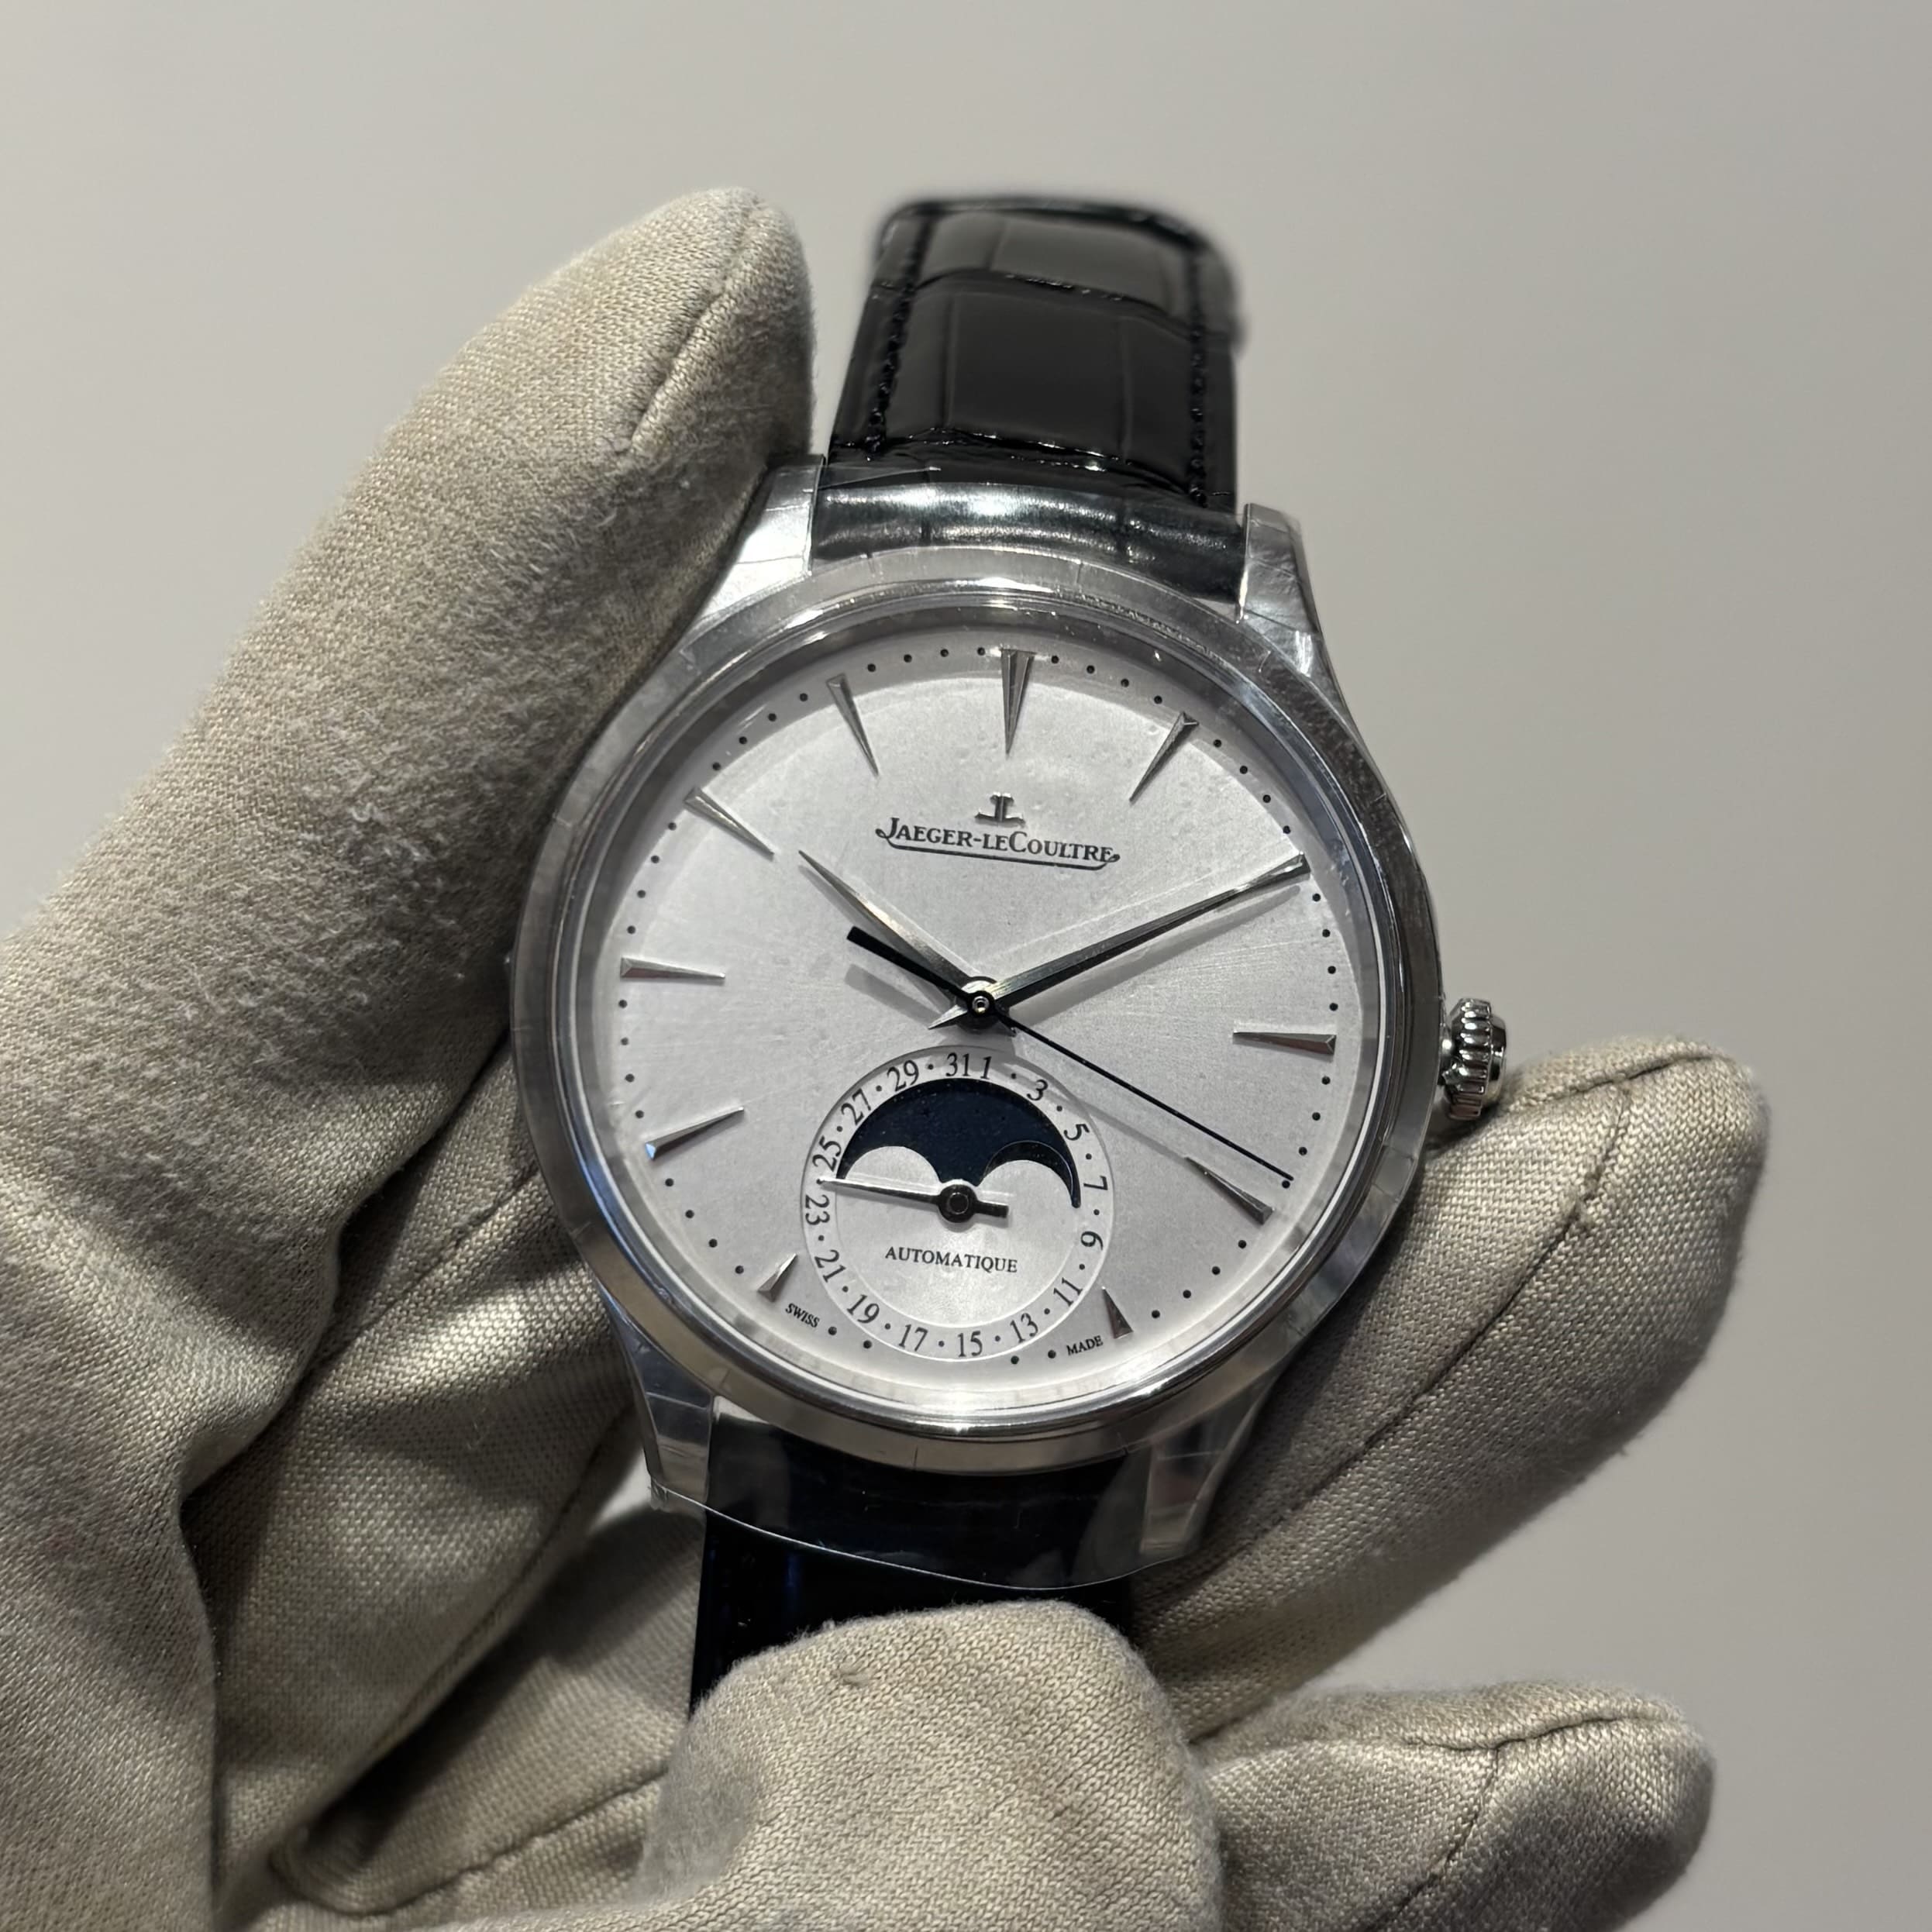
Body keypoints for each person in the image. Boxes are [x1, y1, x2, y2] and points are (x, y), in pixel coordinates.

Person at [0, 190, 1765, 1932]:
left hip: (1044, 1379)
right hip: (775, 1346)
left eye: (999, 992)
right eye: (953, 983)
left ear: (1420, 1064)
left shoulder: (1217, 677)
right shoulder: (800, 671)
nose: (978, 1005)